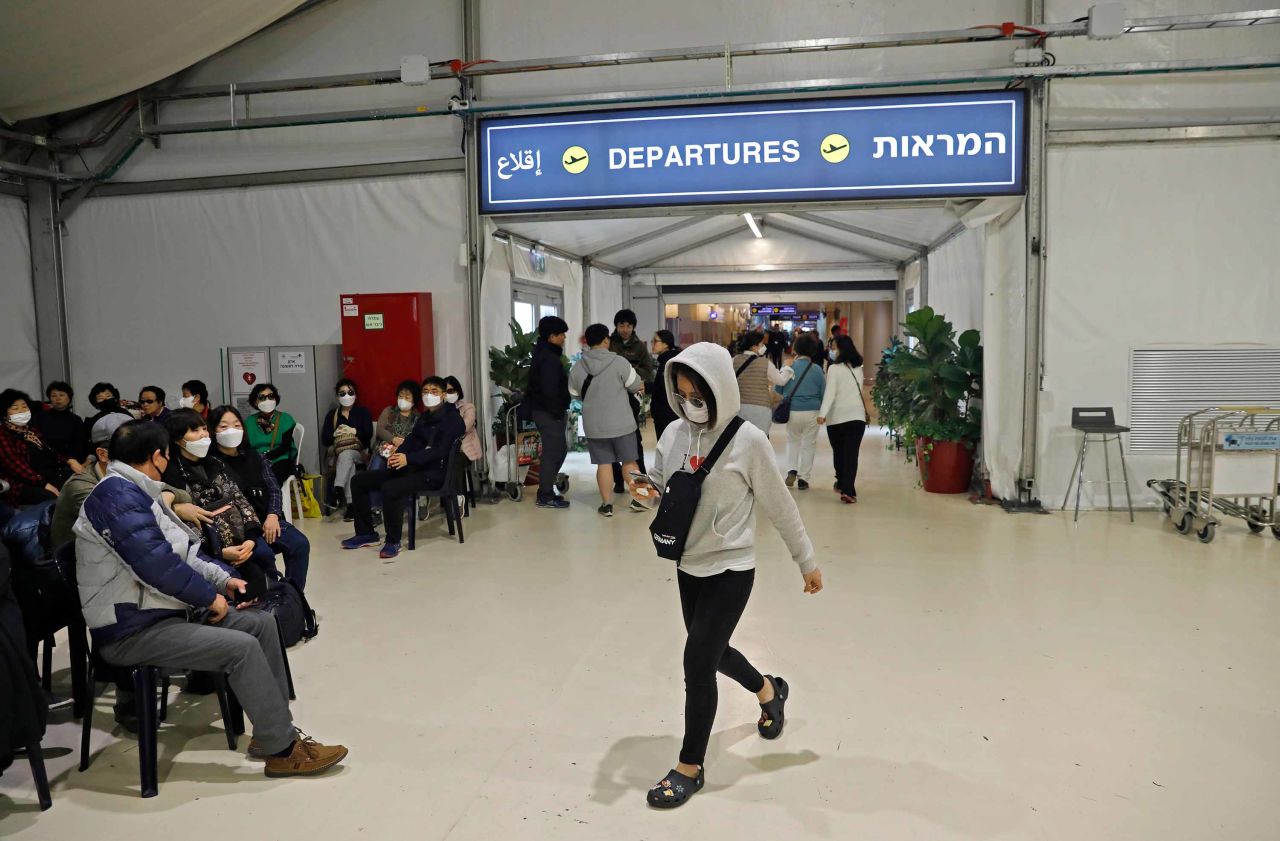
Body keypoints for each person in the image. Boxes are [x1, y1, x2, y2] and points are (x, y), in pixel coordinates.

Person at [74, 420, 347, 777]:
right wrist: (209, 597)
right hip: (131, 628)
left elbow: (185, 549)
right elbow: (158, 567)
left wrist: (224, 580)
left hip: (163, 612)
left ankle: (272, 734)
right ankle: (283, 751)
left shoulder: (141, 492)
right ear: (157, 456)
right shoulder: (116, 497)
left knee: (262, 624)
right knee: (241, 647)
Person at [630, 342, 822, 810]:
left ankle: (689, 767)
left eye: (700, 394)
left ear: (720, 390)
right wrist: (645, 490)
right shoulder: (674, 432)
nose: (691, 403)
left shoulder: (748, 441)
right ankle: (769, 690)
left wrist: (807, 560)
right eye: (682, 394)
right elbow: (662, 482)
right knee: (712, 653)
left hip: (731, 568)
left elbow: (780, 506)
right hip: (687, 564)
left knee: (697, 662)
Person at [342, 377, 465, 559]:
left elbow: (439, 452)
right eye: (425, 391)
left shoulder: (453, 420)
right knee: (359, 481)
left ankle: (393, 541)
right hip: (414, 468)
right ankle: (366, 533)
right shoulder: (425, 417)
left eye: (434, 391)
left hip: (434, 474)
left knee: (390, 488)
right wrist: (397, 455)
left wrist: (408, 459)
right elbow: (412, 440)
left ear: (444, 395)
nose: (429, 395)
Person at [161, 409, 267, 588]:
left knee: (264, 560)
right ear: (178, 439)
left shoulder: (216, 464)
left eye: (204, 429)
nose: (203, 434)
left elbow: (240, 499)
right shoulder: (171, 474)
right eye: (194, 431)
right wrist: (219, 551)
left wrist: (250, 538)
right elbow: (182, 524)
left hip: (241, 540)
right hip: (205, 551)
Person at [210, 406, 311, 591]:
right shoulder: (211, 463)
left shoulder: (255, 456)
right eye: (223, 426)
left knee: (299, 544)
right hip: (241, 529)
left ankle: (294, 599)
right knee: (262, 554)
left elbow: (273, 488)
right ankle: (270, 600)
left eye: (236, 425)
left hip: (268, 519)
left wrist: (273, 515)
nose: (231, 430)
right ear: (213, 430)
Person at [571, 323, 645, 517]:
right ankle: (640, 500)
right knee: (630, 462)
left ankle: (607, 505)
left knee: (603, 464)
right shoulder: (619, 362)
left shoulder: (578, 366)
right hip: (622, 423)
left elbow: (574, 394)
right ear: (606, 340)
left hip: (595, 426)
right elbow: (635, 385)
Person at [1, 389, 80, 506]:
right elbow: (18, 468)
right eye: (15, 408)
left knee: (76, 488)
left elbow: (51, 451)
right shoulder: (3, 435)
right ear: (4, 413)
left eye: (24, 407)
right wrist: (44, 484)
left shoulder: (31, 431)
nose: (22, 411)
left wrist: (69, 460)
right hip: (21, 485)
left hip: (45, 476)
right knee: (53, 498)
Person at [525, 316, 571, 510]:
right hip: (548, 412)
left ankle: (547, 490)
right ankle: (544, 495)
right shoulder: (549, 359)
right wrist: (557, 412)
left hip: (546, 411)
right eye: (562, 335)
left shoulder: (543, 353)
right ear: (552, 336)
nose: (564, 338)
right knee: (554, 452)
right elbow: (549, 389)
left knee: (558, 450)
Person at [818, 334, 869, 504]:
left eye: (833, 348)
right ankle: (848, 490)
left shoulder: (834, 369)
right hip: (857, 417)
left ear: (840, 349)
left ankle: (842, 484)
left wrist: (822, 414)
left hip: (837, 418)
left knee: (839, 453)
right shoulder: (858, 368)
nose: (831, 351)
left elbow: (830, 393)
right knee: (851, 455)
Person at [608, 309, 655, 494]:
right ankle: (618, 480)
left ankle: (641, 478)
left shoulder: (640, 347)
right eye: (621, 325)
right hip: (611, 398)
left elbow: (648, 370)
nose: (625, 329)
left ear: (633, 327)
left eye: (628, 325)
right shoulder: (609, 343)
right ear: (616, 326)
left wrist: (630, 372)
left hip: (630, 398)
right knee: (611, 441)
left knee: (634, 439)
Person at [776, 333, 827, 492]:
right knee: (809, 445)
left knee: (793, 441)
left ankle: (791, 470)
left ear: (795, 349)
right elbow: (823, 392)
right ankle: (804, 478)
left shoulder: (789, 367)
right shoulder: (817, 370)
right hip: (812, 411)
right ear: (813, 351)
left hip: (793, 411)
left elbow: (778, 388)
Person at [320, 379, 373, 521]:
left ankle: (338, 488)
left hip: (360, 451)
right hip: (339, 453)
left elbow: (368, 435)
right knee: (347, 459)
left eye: (350, 392)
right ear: (337, 396)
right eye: (342, 393)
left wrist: (354, 431)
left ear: (355, 394)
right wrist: (335, 434)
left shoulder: (363, 412)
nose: (346, 396)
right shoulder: (333, 415)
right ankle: (351, 506)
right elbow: (325, 439)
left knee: (347, 455)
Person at [732, 330, 793, 436]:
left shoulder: (734, 360)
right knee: (761, 441)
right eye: (761, 344)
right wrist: (787, 367)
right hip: (761, 408)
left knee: (742, 440)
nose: (764, 346)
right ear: (753, 347)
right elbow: (781, 380)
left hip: (740, 407)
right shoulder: (765, 363)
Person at [245, 383, 298, 487]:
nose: (267, 400)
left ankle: (274, 501)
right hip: (257, 461)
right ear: (255, 402)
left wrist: (266, 457)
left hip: (280, 459)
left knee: (271, 477)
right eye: (262, 397)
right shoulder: (249, 422)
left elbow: (285, 446)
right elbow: (246, 446)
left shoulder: (285, 419)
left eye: (271, 396)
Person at [32, 381, 85, 463]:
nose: (58, 398)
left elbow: (79, 444)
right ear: (50, 399)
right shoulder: (40, 417)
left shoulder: (76, 419)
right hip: (45, 460)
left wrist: (70, 460)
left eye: (61, 395)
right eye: (54, 396)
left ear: (69, 398)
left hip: (70, 462)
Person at [649, 330, 682, 442]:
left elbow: (663, 386)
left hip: (666, 413)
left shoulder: (668, 361)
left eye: (655, 341)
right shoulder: (668, 359)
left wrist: (647, 386)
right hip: (667, 412)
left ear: (665, 344)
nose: (652, 344)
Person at [442, 376, 482, 464]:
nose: (447, 394)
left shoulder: (468, 407)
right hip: (446, 450)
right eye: (444, 392)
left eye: (450, 391)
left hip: (464, 450)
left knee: (453, 462)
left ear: (457, 391)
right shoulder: (441, 410)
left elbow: (462, 428)